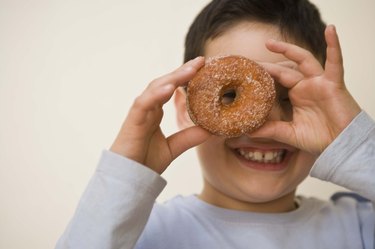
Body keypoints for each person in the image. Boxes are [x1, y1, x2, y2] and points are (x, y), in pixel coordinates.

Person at [56, 0, 375, 248]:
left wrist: (355, 145)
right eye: (231, 95)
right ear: (187, 109)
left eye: (290, 97)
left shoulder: (359, 226)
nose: (263, 125)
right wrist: (124, 178)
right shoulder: (138, 233)